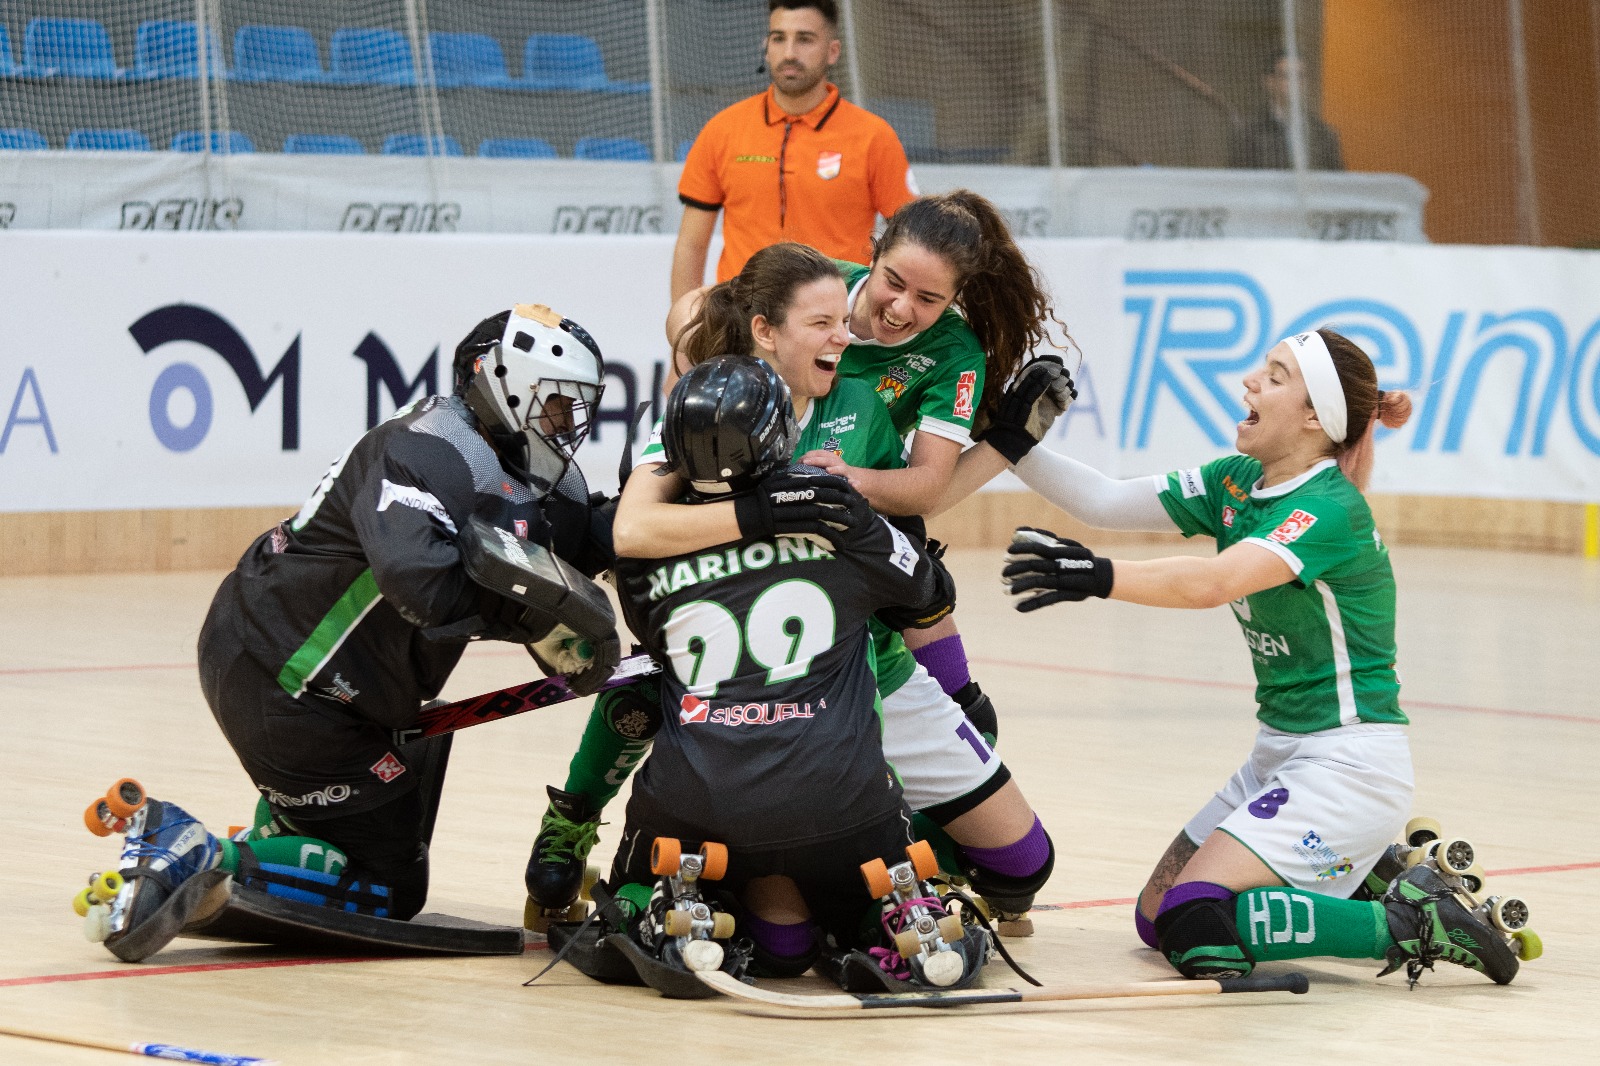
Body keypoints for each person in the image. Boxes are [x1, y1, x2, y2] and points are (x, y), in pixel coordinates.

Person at [526, 243, 1058, 960]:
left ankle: (887, 870)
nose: (848, 336)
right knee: (654, 681)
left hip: (856, 660)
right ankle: (582, 820)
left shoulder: (859, 405)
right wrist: (776, 514)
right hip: (734, 668)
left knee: (1026, 861)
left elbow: (906, 547)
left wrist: (1000, 451)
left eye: (846, 318)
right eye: (825, 322)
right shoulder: (697, 407)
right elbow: (636, 529)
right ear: (765, 331)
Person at [89, 304, 622, 961]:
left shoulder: (535, 474)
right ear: (499, 383)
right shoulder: (426, 449)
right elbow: (418, 583)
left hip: (333, 687)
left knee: (382, 815)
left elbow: (580, 539)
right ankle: (196, 850)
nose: (567, 425)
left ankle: (276, 837)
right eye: (554, 405)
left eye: (577, 408)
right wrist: (536, 617)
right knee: (388, 884)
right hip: (284, 677)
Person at [995, 328, 1524, 986]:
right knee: (1157, 918)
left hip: (1349, 767)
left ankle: (1410, 923)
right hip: (1279, 755)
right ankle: (1366, 876)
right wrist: (1008, 440)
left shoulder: (1329, 508)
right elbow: (1103, 499)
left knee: (1197, 926)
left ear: (1313, 417)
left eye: (1274, 376)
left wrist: (1095, 575)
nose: (1250, 382)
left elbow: (1213, 583)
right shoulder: (1237, 480)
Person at [602, 354, 979, 985]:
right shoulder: (838, 521)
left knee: (778, 945)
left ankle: (665, 906)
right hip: (841, 802)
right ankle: (895, 916)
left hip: (698, 804)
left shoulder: (641, 553)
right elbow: (929, 597)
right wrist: (867, 523)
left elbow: (651, 632)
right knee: (864, 867)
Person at [670, 0, 916, 303]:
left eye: (804, 39)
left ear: (833, 51)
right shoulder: (723, 129)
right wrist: (685, 329)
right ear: (766, 46)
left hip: (837, 324)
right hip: (741, 319)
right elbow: (691, 245)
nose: (789, 53)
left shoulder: (874, 136)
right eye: (778, 38)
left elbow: (910, 241)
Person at [1229, 52, 1343, 171]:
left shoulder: (1323, 134)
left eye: (1300, 76)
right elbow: (1239, 183)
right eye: (1287, 76)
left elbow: (1337, 184)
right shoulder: (1250, 133)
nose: (1295, 83)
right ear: (1270, 82)